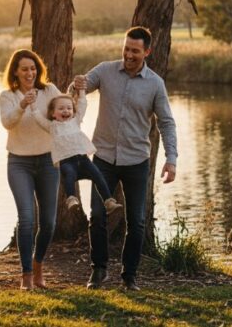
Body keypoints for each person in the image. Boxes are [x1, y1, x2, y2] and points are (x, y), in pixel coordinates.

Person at [72, 26, 177, 291]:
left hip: (136, 161)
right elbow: (79, 88)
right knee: (97, 215)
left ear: (147, 52)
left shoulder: (155, 84)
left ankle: (129, 276)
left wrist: (171, 158)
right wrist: (76, 85)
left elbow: (166, 122)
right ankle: (99, 270)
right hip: (104, 158)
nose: (129, 54)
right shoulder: (105, 71)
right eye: (126, 48)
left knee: (137, 221)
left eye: (135, 51)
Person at [0, 49, 61, 290]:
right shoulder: (8, 96)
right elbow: (7, 122)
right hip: (19, 163)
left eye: (33, 68)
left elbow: (64, 115)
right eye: (24, 69)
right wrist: (22, 105)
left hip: (48, 161)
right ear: (16, 71)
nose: (29, 73)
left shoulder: (50, 91)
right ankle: (26, 275)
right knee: (26, 219)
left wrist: (77, 96)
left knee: (49, 223)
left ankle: (38, 267)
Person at [31, 91, 122, 214]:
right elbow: (38, 118)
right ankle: (71, 198)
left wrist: (82, 92)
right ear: (53, 113)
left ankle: (108, 201)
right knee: (69, 175)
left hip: (83, 159)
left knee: (98, 176)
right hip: (66, 160)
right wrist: (32, 104)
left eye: (69, 108)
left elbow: (83, 105)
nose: (66, 111)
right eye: (61, 108)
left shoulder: (75, 121)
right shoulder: (52, 127)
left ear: (73, 112)